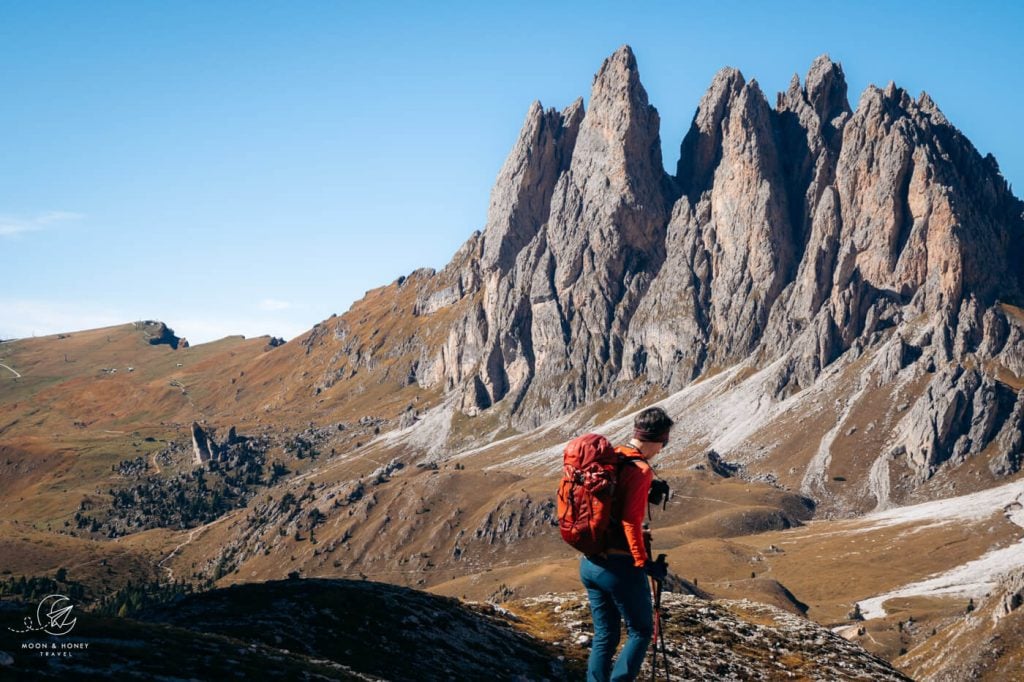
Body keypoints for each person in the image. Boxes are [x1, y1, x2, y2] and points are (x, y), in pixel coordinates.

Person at [579, 406, 673, 682]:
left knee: (605, 634)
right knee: (641, 630)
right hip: (618, 567)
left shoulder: (614, 457)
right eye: (664, 441)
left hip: (590, 562)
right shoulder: (641, 470)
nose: (663, 448)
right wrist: (644, 563)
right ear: (658, 439)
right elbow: (630, 522)